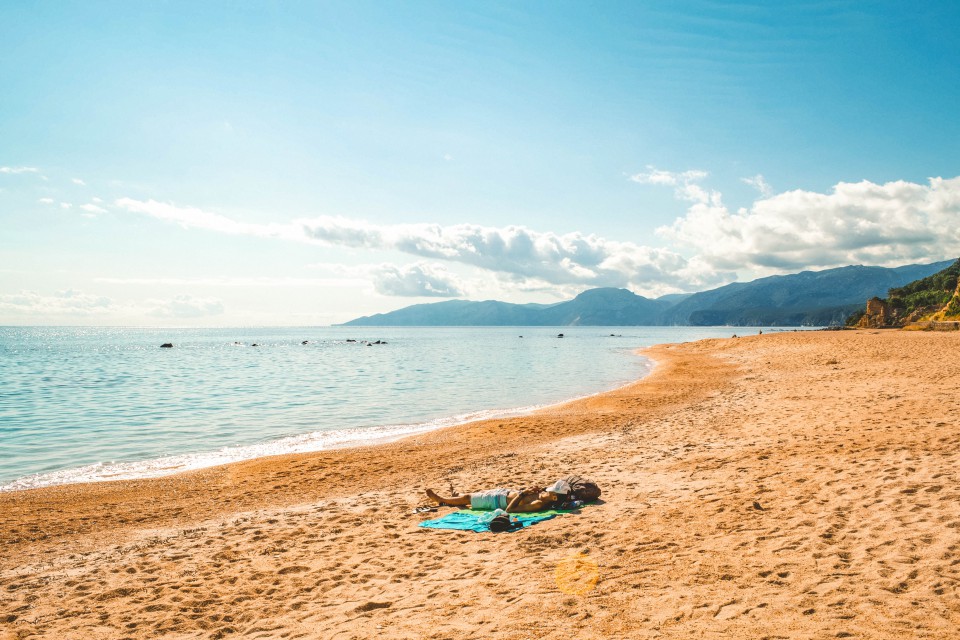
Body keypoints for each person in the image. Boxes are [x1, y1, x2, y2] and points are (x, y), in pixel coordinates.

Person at [425, 479, 572, 513]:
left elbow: (510, 510)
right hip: (503, 492)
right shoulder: (543, 495)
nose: (547, 490)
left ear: (553, 498)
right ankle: (453, 498)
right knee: (473, 496)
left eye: (550, 491)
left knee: (468, 498)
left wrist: (523, 493)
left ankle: (441, 500)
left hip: (497, 501)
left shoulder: (539, 504)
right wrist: (529, 489)